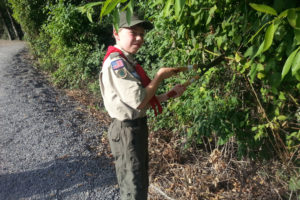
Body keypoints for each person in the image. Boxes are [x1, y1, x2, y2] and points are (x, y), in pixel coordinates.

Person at [99, 11, 186, 200]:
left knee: (139, 180)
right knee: (133, 188)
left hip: (134, 129)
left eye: (142, 34)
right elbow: (138, 100)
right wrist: (160, 76)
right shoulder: (117, 64)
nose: (139, 38)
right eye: (133, 32)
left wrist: (168, 94)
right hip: (126, 131)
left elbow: (141, 99)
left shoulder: (126, 61)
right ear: (116, 32)